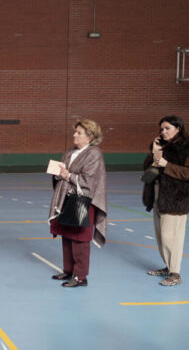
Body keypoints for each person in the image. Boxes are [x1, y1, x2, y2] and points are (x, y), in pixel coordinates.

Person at [47, 119, 108, 288]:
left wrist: (68, 175)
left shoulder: (94, 154)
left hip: (83, 200)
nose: (74, 135)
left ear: (90, 136)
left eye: (79, 133)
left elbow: (90, 180)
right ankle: (68, 270)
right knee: (66, 234)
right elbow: (63, 173)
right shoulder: (70, 151)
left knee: (80, 238)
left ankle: (80, 276)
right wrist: (58, 173)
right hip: (67, 198)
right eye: (75, 132)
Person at [142, 115, 189, 286]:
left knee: (171, 237)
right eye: (161, 129)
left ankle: (175, 273)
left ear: (178, 129)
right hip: (158, 196)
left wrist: (166, 165)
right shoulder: (162, 146)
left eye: (167, 128)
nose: (163, 131)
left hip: (177, 199)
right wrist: (155, 153)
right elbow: (148, 171)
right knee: (161, 236)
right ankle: (168, 267)